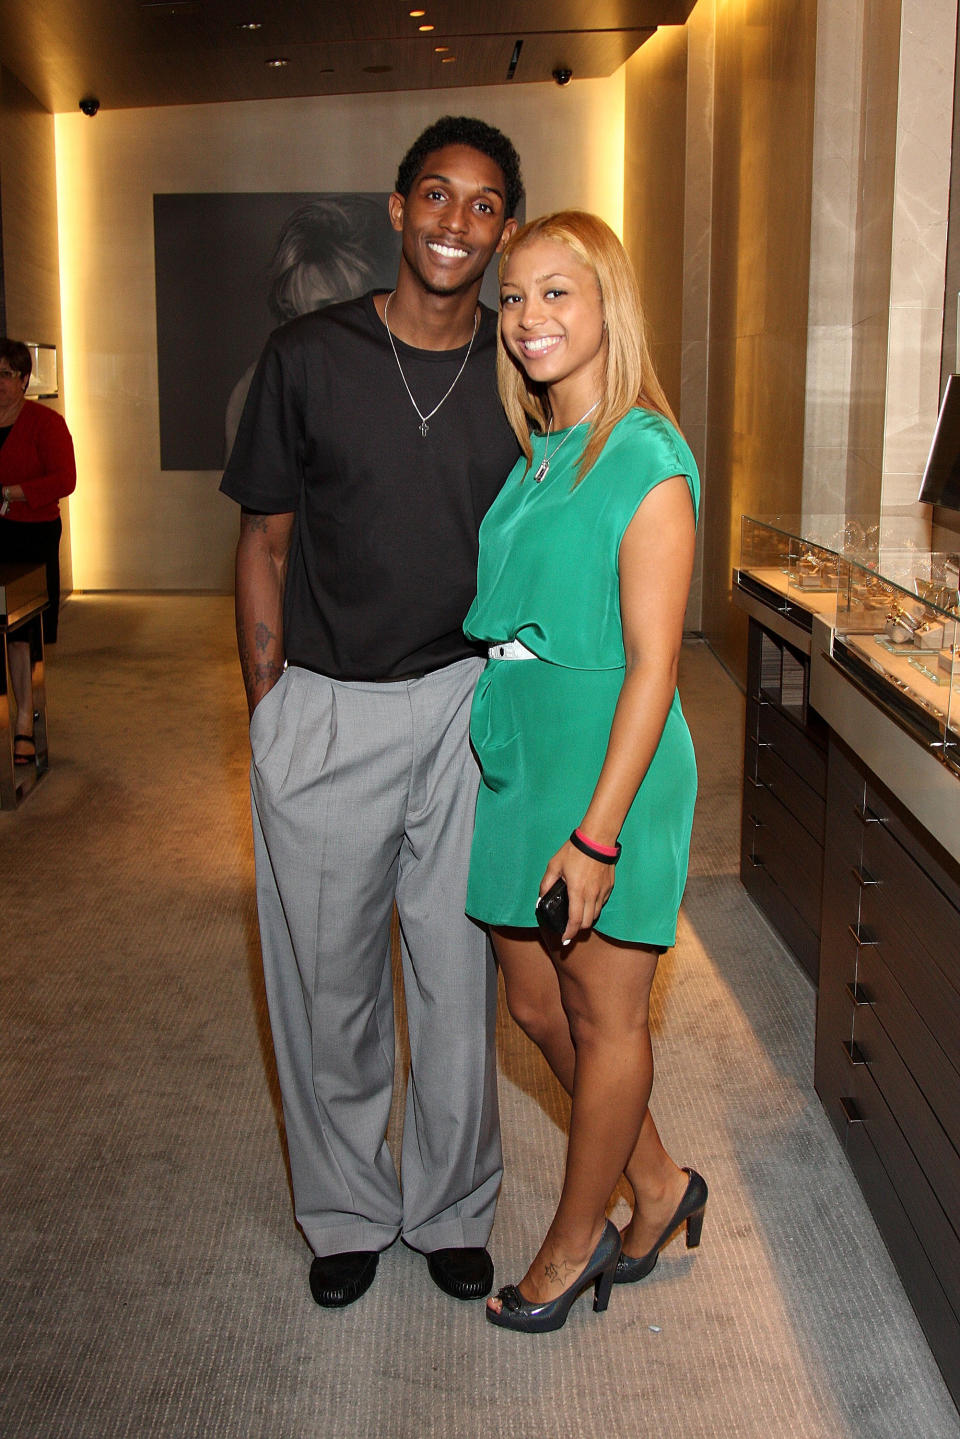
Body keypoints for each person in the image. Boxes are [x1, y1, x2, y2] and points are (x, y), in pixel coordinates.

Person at [220, 116, 523, 1309]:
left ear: (503, 228)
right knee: (324, 976)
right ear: (396, 210)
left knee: (457, 977)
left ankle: (450, 1205)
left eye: (484, 203)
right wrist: (271, 706)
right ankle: (345, 1206)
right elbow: (263, 537)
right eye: (437, 195)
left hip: (466, 702)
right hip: (328, 703)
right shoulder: (306, 358)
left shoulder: (521, 369)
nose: (457, 221)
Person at [462, 211, 708, 1334]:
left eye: (557, 293)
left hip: (611, 763)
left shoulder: (644, 455)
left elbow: (657, 662)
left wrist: (600, 834)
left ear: (610, 303)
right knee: (531, 998)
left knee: (605, 1018)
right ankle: (658, 1179)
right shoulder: (540, 453)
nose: (529, 319)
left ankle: (578, 1237)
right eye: (514, 299)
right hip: (528, 755)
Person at [224, 195, 393, 458]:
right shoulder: (258, 389)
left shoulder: (414, 386)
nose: (304, 335)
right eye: (293, 313)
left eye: (326, 311)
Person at [0, 339, 77, 765]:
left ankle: (25, 726)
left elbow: (65, 480)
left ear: (25, 380)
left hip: (30, 537)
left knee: (20, 635)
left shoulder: (45, 424)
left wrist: (10, 493)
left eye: (5, 375)